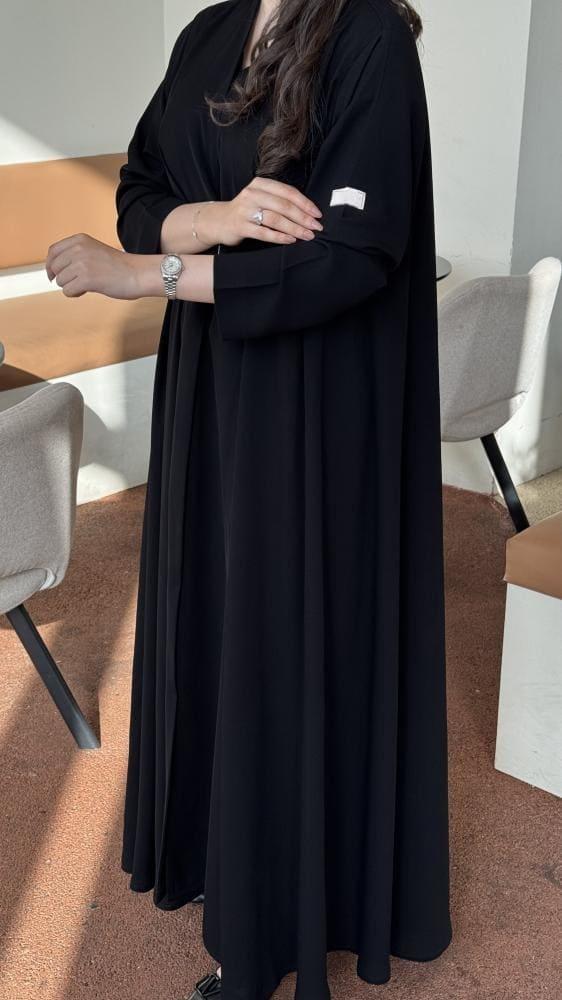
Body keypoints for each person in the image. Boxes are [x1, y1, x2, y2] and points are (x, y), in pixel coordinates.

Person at [45, 0, 453, 996]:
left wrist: (147, 275)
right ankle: (217, 858)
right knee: (217, 622)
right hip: (210, 384)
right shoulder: (209, 32)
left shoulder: (368, 38)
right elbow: (140, 188)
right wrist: (217, 222)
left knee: (282, 638)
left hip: (314, 403)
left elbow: (348, 256)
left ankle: (272, 923)